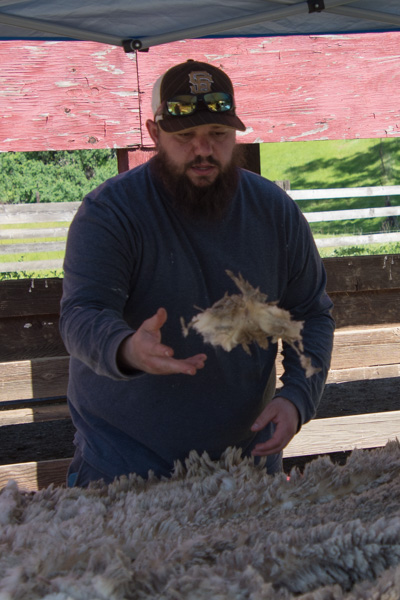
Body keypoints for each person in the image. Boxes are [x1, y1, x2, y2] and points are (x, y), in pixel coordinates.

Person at [60, 59, 335, 487]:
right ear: (154, 134)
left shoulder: (275, 212)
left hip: (246, 466)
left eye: (218, 134)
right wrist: (125, 348)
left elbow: (311, 313)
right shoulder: (110, 212)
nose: (203, 150)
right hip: (122, 468)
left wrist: (298, 397)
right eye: (185, 136)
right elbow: (81, 313)